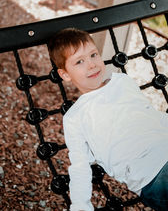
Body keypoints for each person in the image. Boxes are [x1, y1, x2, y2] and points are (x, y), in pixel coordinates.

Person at [48, 27, 168, 211]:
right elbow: (80, 167)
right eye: (79, 61)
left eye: (93, 55)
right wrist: (81, 206)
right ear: (64, 74)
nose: (92, 64)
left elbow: (150, 114)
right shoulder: (76, 117)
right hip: (151, 174)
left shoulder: (122, 81)